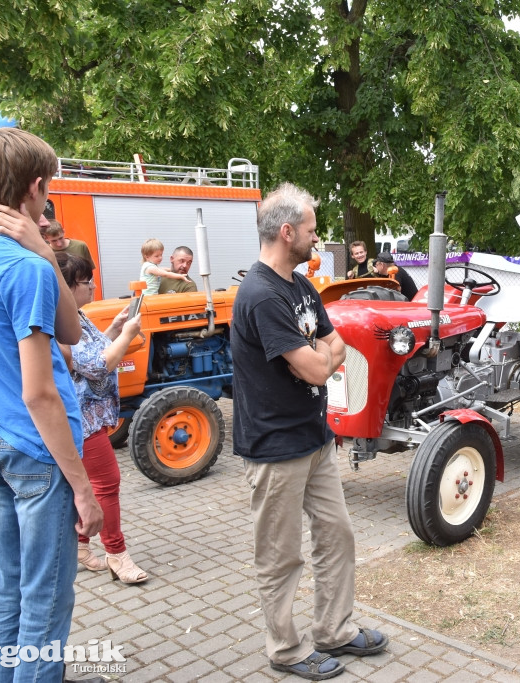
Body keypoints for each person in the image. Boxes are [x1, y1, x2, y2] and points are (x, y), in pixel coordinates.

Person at [0, 127, 103, 682]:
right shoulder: (25, 270)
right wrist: (83, 488)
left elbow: (68, 326)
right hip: (37, 455)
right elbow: (40, 392)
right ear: (35, 187)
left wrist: (42, 250)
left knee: (9, 595)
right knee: (45, 607)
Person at [231, 182, 388, 680]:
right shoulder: (260, 294)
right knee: (280, 556)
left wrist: (317, 356)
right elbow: (324, 368)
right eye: (312, 231)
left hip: (314, 439)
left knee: (336, 534)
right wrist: (320, 358)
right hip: (275, 447)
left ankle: (334, 630)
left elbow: (336, 346)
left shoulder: (300, 287)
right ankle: (286, 650)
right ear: (286, 232)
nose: (316, 240)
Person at [57, 252, 149, 584]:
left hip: (89, 415)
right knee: (107, 484)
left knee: (93, 487)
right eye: (87, 281)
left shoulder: (76, 315)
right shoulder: (62, 321)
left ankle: (81, 547)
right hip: (83, 419)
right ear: (67, 287)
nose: (93, 285)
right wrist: (128, 335)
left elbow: (92, 353)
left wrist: (113, 328)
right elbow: (96, 366)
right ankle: (117, 555)